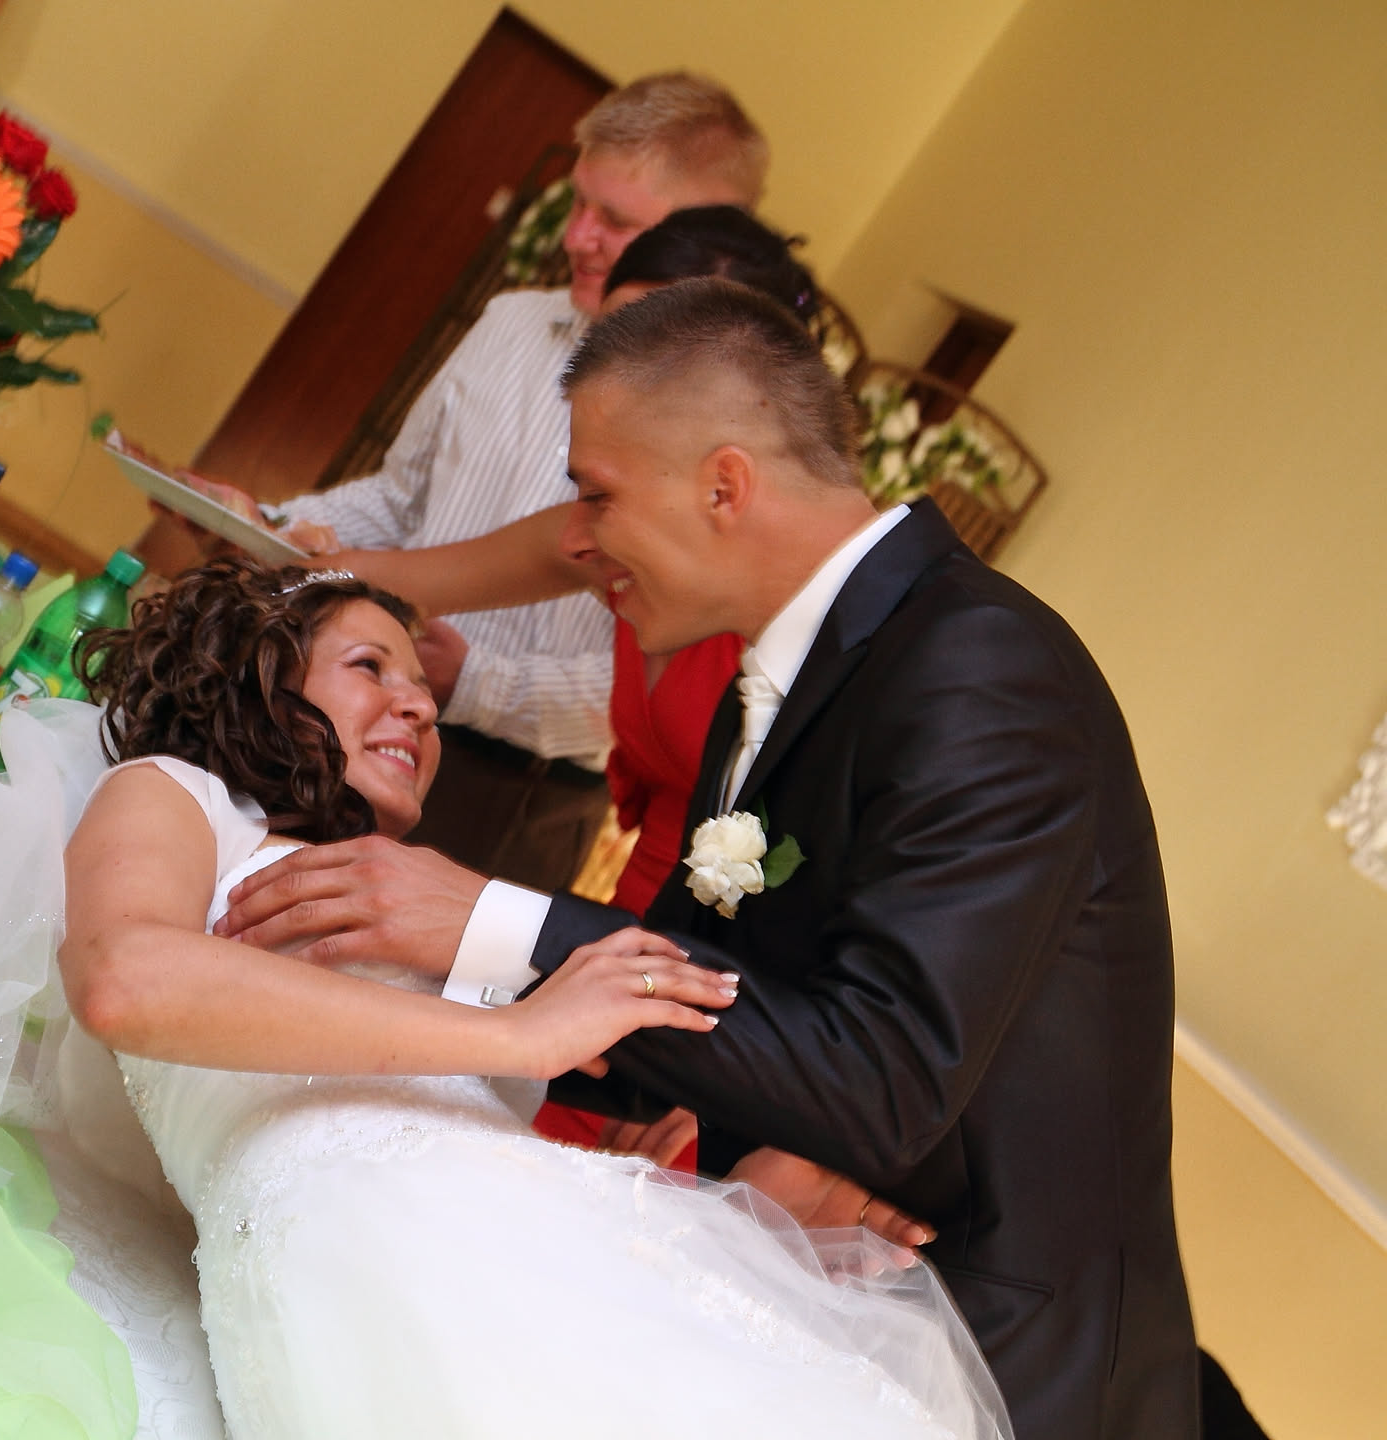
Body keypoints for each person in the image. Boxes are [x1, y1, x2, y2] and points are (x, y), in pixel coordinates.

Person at [216, 280, 1198, 1439]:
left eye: (597, 492)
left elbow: (881, 1081)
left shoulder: (980, 668)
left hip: (998, 1367)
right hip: (825, 1312)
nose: (578, 537)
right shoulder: (779, 683)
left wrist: (487, 919)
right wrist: (384, 981)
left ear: (723, 485)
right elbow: (673, 1019)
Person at [52, 558, 1009, 1440]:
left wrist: (714, 1229)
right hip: (367, 1266)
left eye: (424, 692)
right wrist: (523, 1034)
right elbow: (127, 979)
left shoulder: (416, 915)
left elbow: (441, 1139)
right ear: (256, 679)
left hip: (500, 1260)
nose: (419, 707)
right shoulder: (176, 795)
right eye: (370, 667)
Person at [266, 72, 771, 893]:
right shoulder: (510, 322)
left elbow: (657, 682)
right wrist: (270, 531)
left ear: (705, 238)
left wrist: (475, 682)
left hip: (510, 797)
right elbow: (403, 507)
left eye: (616, 220)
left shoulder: (729, 429)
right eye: (578, 203)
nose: (577, 237)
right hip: (345, 716)